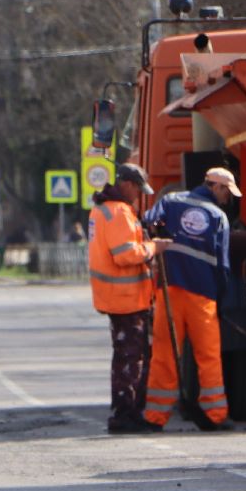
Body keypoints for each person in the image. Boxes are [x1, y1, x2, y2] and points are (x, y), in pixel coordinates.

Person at [141, 166, 237, 431]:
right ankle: (214, 415)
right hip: (202, 296)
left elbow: (147, 222)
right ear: (216, 187)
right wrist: (222, 300)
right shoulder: (218, 216)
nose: (228, 198)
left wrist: (160, 235)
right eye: (227, 191)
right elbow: (223, 265)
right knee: (208, 356)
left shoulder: (171, 201)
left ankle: (155, 417)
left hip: (169, 291)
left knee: (164, 353)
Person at [87, 164, 168, 434]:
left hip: (117, 297)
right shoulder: (119, 212)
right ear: (129, 185)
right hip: (126, 298)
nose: (139, 196)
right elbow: (125, 255)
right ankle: (126, 415)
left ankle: (127, 412)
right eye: (138, 190)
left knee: (126, 357)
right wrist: (154, 247)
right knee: (131, 358)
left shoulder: (102, 210)